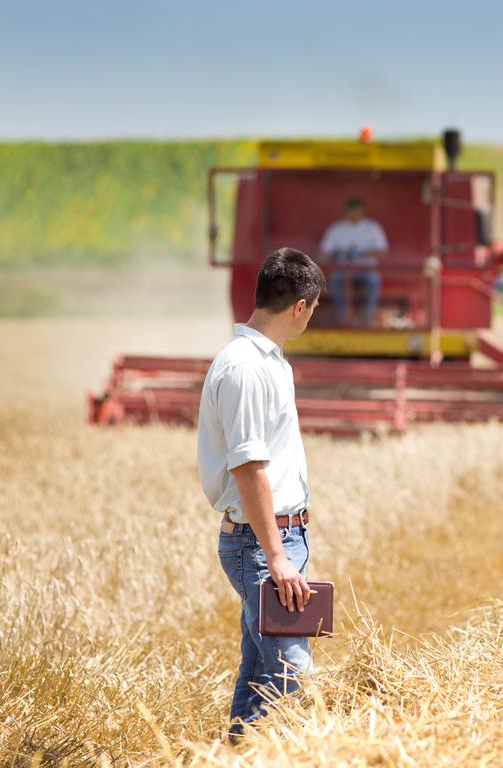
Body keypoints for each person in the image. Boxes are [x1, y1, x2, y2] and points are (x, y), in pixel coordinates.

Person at [197, 247, 325, 738]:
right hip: (260, 544)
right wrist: (276, 556)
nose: (311, 317)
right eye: (312, 309)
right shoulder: (247, 369)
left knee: (258, 677)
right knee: (293, 679)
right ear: (300, 306)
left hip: (271, 541)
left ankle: (238, 751)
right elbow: (249, 468)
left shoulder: (268, 362)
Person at [319, 196, 388, 326]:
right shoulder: (337, 229)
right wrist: (328, 257)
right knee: (334, 280)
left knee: (374, 280)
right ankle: (344, 316)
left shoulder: (371, 227)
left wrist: (365, 254)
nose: (354, 213)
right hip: (343, 270)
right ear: (346, 211)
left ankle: (367, 317)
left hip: (366, 269)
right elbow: (324, 252)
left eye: (357, 210)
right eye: (352, 210)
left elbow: (383, 252)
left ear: (362, 211)